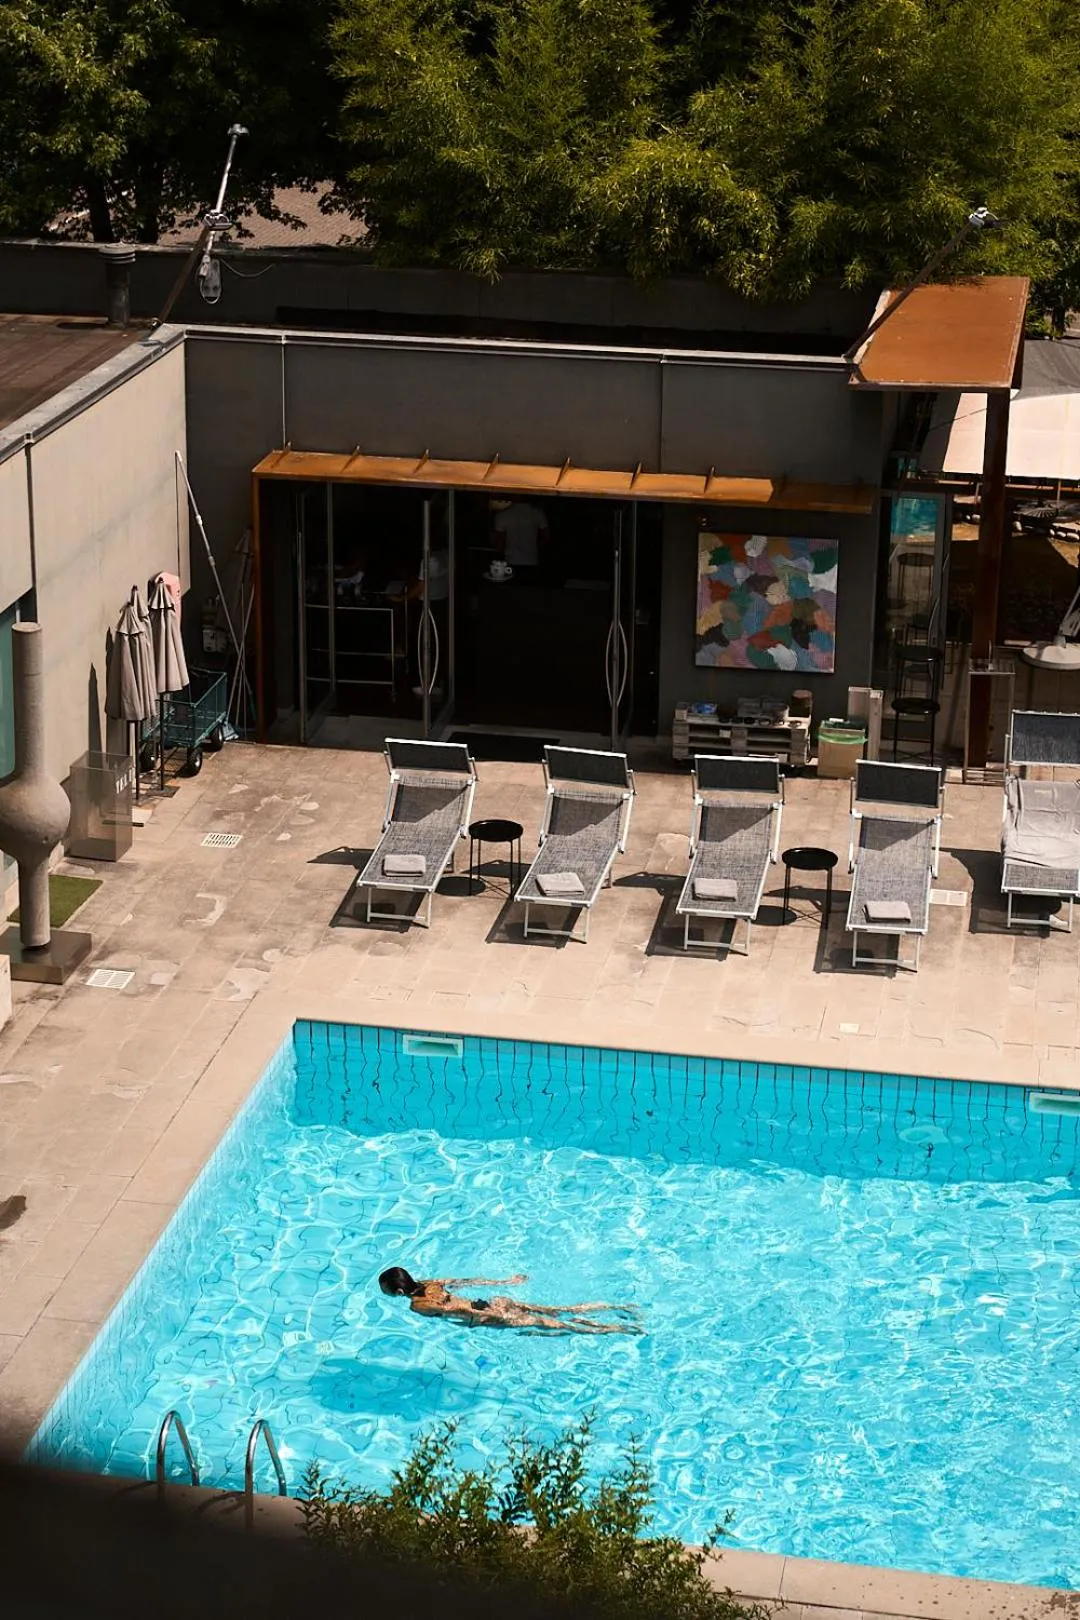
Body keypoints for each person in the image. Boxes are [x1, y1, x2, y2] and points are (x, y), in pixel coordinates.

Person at [378, 1267, 642, 1336]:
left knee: (556, 1325)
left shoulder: (418, 1305)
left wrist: (487, 1315)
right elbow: (464, 1281)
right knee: (561, 1311)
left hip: (487, 1313)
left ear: (399, 1293)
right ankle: (617, 1309)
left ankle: (614, 1328)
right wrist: (506, 1283)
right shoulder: (429, 1282)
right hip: (492, 1300)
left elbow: (450, 1308)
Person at [492, 500, 548, 573]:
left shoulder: (502, 515)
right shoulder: (538, 513)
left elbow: (499, 543)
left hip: (510, 560)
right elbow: (546, 537)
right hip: (531, 560)